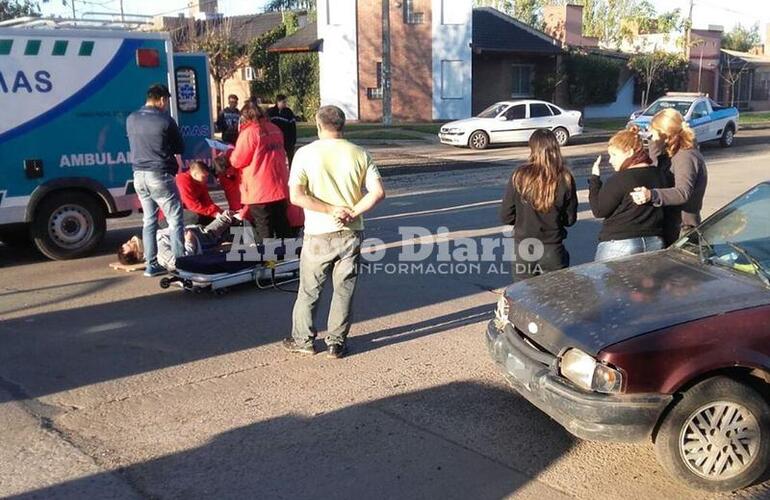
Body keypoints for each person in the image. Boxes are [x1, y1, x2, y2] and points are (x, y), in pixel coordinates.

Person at [284, 105, 386, 359]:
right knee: (344, 289)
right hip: (350, 232)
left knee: (309, 289)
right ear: (343, 125)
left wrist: (330, 209)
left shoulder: (305, 154)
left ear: (319, 126)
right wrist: (352, 212)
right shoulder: (360, 154)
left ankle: (303, 340)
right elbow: (378, 192)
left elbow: (296, 196)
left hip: (318, 232)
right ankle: (336, 343)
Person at [499, 128, 577, 281]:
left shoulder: (520, 176)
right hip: (552, 248)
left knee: (523, 297)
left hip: (524, 247)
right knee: (554, 298)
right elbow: (570, 219)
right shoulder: (565, 178)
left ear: (532, 148)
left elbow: (506, 215)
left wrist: (523, 219)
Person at [126, 83, 185, 277]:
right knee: (175, 219)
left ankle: (151, 265)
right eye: (166, 101)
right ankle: (181, 264)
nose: (166, 105)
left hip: (138, 175)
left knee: (149, 220)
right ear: (161, 100)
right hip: (159, 174)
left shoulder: (131, 118)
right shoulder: (165, 120)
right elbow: (179, 147)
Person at [631, 108, 708, 246]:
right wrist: (654, 142)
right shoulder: (672, 153)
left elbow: (683, 193)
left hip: (683, 230)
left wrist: (652, 195)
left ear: (665, 134)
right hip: (669, 225)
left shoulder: (686, 156)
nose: (651, 136)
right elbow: (655, 167)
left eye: (654, 132)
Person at [589, 126, 666, 261]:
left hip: (620, 243)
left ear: (629, 152)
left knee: (606, 281)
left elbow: (599, 210)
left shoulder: (620, 179)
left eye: (614, 155)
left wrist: (594, 180)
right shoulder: (658, 173)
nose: (610, 160)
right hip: (654, 241)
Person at [229, 101, 291, 242]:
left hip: (259, 189)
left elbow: (237, 161)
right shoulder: (275, 129)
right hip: (279, 185)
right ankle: (290, 258)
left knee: (264, 228)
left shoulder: (249, 133)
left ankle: (269, 261)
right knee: (282, 223)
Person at [117, 211, 238, 271]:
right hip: (203, 237)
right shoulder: (159, 251)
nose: (130, 241)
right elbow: (180, 263)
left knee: (234, 219)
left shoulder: (154, 242)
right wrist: (189, 242)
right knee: (234, 219)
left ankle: (244, 228)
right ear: (137, 254)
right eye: (130, 245)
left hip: (200, 232)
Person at [176, 160, 222, 226]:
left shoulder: (200, 181)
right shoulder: (183, 180)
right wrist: (213, 213)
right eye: (204, 177)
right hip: (170, 215)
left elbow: (207, 201)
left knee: (216, 220)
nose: (206, 179)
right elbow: (192, 206)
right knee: (195, 217)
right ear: (195, 174)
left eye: (207, 176)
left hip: (188, 211)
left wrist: (219, 211)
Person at [267, 94, 298, 166]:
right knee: (276, 156)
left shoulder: (288, 112)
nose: (285, 104)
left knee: (290, 156)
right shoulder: (271, 112)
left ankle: (291, 170)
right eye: (283, 102)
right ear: (278, 102)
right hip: (275, 139)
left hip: (287, 138)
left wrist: (293, 139)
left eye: (285, 102)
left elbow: (293, 126)